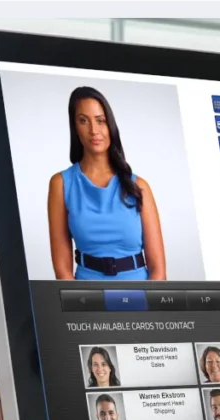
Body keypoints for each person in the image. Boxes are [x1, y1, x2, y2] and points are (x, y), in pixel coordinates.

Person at [48, 86, 166, 281]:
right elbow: (62, 270)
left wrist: (149, 308)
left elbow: (158, 271)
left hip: (139, 295)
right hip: (87, 298)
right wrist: (77, 307)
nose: (94, 131)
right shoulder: (61, 184)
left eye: (100, 121)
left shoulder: (140, 187)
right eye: (83, 121)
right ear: (75, 126)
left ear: (110, 125)